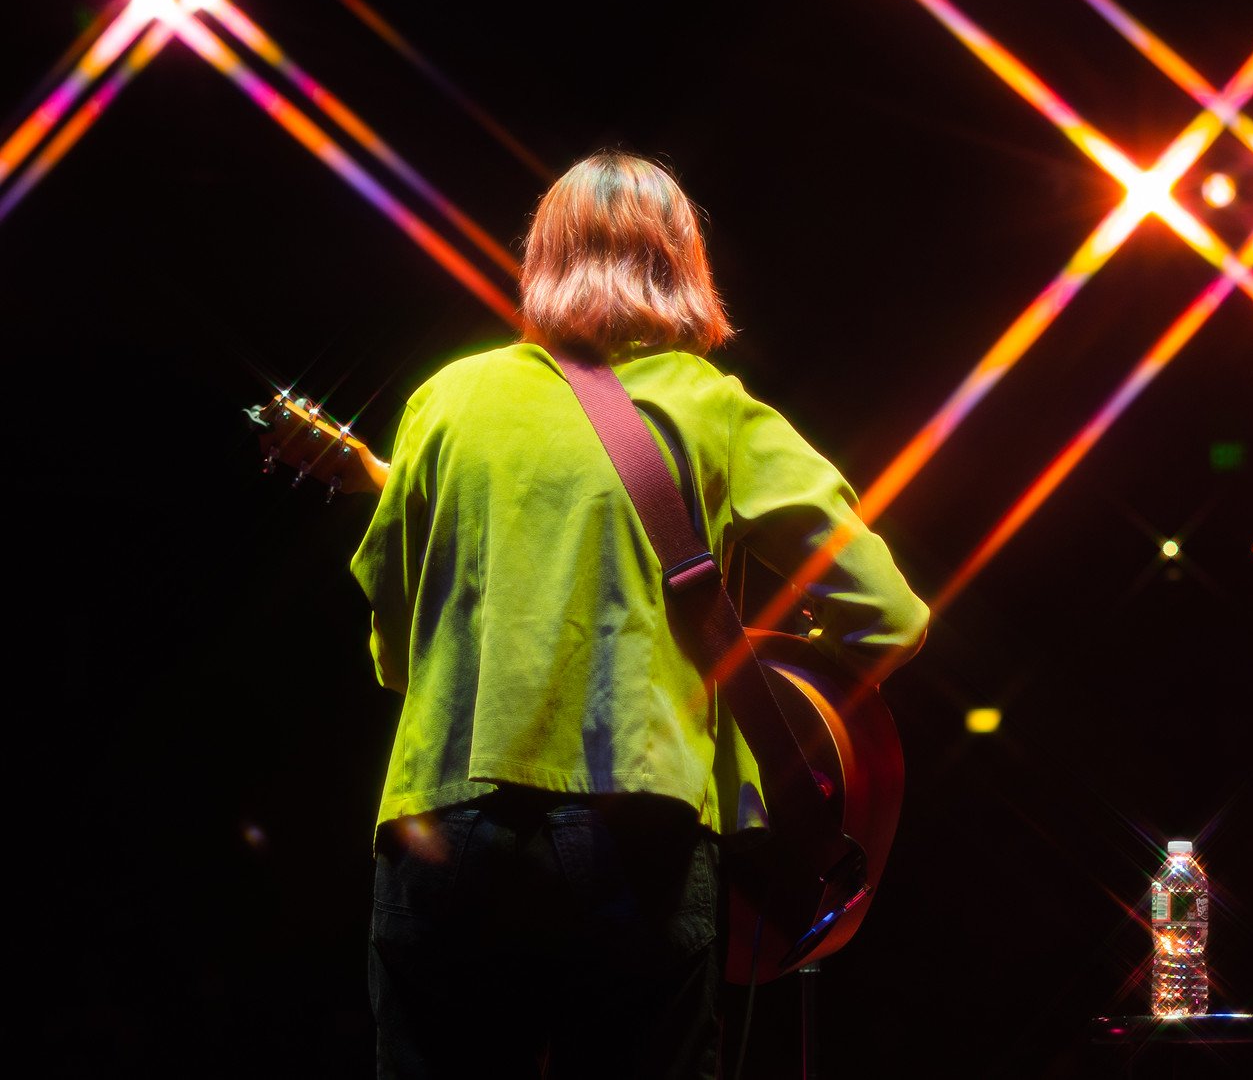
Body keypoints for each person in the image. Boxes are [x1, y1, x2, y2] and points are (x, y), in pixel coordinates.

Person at [352, 151, 928, 1079]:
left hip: (442, 820)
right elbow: (888, 615)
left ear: (541, 258)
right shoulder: (713, 410)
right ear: (682, 264)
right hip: (640, 836)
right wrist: (770, 687)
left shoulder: (447, 399)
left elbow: (394, 636)